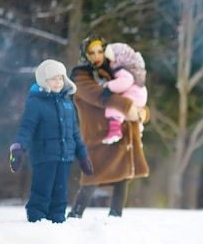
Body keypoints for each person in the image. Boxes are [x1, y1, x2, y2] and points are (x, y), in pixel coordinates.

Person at [67, 35, 150, 218]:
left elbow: (132, 94)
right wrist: (129, 108)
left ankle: (115, 217)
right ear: (85, 55)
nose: (97, 56)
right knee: (92, 177)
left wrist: (142, 112)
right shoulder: (81, 76)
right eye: (92, 52)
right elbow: (98, 96)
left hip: (122, 135)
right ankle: (75, 215)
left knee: (122, 178)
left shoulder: (112, 70)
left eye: (100, 51)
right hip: (98, 134)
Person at [9, 59, 94, 223]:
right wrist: (18, 148)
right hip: (44, 156)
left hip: (64, 157)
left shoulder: (67, 104)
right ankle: (37, 219)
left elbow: (74, 133)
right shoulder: (36, 103)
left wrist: (83, 156)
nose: (58, 82)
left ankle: (57, 220)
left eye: (61, 78)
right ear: (43, 80)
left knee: (60, 193)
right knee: (42, 190)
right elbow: (27, 128)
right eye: (53, 78)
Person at [100, 42, 148, 144]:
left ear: (117, 59)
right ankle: (137, 136)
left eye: (109, 60)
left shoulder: (122, 71)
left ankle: (115, 130)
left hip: (134, 94)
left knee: (115, 106)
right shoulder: (132, 69)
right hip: (139, 94)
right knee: (132, 118)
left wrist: (108, 86)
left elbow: (124, 82)